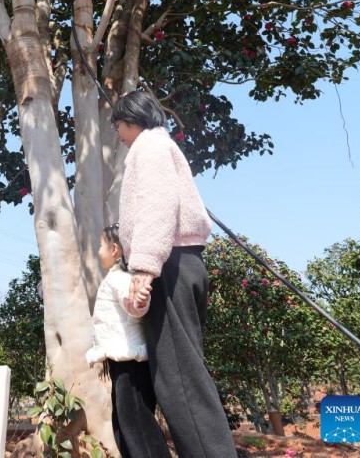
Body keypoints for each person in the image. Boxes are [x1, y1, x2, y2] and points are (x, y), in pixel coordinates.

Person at [112, 90, 237, 458]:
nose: (119, 133)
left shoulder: (149, 148)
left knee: (179, 382)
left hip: (169, 266)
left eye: (119, 125)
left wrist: (145, 267)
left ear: (133, 120)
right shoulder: (165, 148)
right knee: (186, 375)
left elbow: (156, 205)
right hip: (185, 263)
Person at [85, 223, 171, 458]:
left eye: (100, 245)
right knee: (124, 423)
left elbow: (133, 305)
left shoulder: (122, 279)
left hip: (131, 361)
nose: (98, 250)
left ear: (114, 249)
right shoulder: (115, 278)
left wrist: (139, 302)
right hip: (122, 360)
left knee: (136, 422)